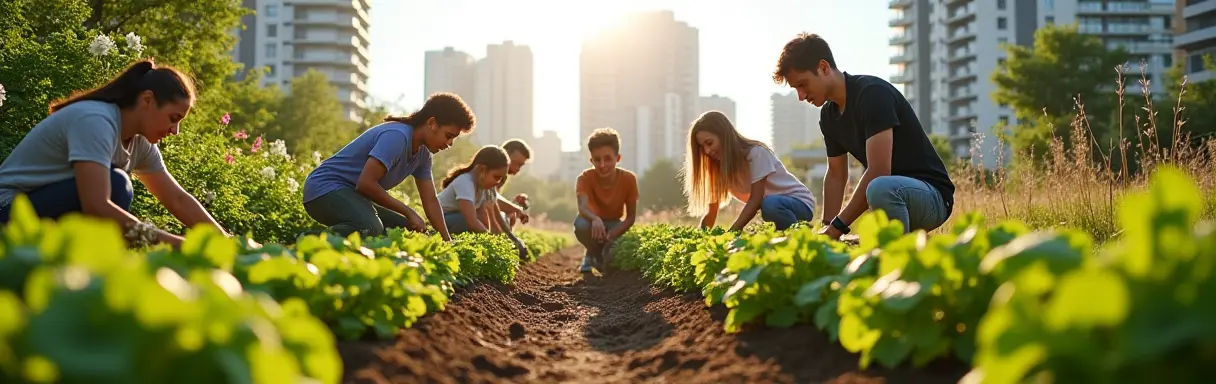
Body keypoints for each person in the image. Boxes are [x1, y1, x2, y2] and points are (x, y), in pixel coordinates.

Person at [0, 60, 229, 248]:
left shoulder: (140, 144)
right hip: (8, 213)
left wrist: (226, 243)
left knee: (117, 185)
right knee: (118, 184)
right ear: (147, 100)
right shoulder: (96, 121)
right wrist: (178, 244)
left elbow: (178, 200)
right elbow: (97, 206)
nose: (175, 131)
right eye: (173, 118)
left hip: (39, 213)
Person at [771, 33, 955, 238]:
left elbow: (879, 171)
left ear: (823, 68)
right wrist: (827, 229)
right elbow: (836, 173)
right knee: (880, 190)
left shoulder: (872, 94)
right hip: (892, 193)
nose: (801, 96)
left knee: (879, 187)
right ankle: (900, 243)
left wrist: (838, 227)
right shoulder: (828, 116)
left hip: (933, 196)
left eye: (802, 84)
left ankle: (898, 250)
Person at [301, 92, 475, 242]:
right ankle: (304, 241)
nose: (449, 144)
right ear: (431, 123)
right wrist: (409, 211)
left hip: (352, 196)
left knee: (407, 230)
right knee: (370, 227)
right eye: (448, 136)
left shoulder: (423, 154)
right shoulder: (397, 137)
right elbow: (366, 184)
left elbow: (430, 200)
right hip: (324, 190)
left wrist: (447, 241)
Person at [684, 111, 817, 232]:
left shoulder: (756, 153)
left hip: (799, 202)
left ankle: (799, 235)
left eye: (709, 143)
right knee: (769, 207)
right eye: (702, 147)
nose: (707, 151)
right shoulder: (718, 169)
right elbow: (711, 212)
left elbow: (756, 200)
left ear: (724, 136)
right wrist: (700, 235)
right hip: (773, 207)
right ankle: (789, 233)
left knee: (770, 205)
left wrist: (732, 233)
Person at [436, 145, 527, 257]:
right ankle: (452, 247)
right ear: (481, 169)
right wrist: (493, 242)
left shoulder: (484, 186)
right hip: (440, 221)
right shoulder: (465, 182)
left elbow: (492, 219)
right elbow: (471, 221)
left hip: (456, 221)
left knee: (482, 221)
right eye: (497, 177)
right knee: (471, 221)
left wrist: (509, 240)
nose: (498, 183)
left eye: (501, 179)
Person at [574, 128, 639, 273]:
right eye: (597, 160)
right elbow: (582, 208)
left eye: (608, 159)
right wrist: (595, 219)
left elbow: (631, 217)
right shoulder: (584, 178)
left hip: (614, 223)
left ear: (618, 158)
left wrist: (613, 234)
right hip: (591, 222)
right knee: (580, 225)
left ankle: (596, 256)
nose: (602, 165)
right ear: (591, 160)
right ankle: (593, 254)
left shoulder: (629, 179)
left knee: (614, 258)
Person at [495, 139, 532, 228]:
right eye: (517, 164)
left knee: (510, 215)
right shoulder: (491, 171)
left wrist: (515, 204)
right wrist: (516, 209)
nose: (518, 169)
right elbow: (490, 200)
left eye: (521, 166)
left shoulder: (503, 177)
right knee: (507, 217)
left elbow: (493, 200)